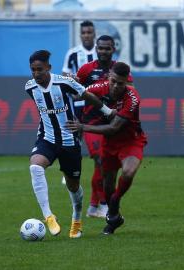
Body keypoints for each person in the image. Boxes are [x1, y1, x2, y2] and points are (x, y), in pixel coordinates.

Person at [26, 50, 113, 239]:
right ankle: (48, 216)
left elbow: (87, 95)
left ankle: (76, 219)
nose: (36, 74)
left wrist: (107, 111)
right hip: (47, 138)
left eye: (40, 69)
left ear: (49, 68)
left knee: (73, 187)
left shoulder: (64, 83)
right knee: (35, 166)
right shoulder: (30, 87)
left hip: (69, 141)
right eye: (33, 70)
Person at [66, 62, 147, 235]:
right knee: (108, 185)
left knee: (128, 172)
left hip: (131, 141)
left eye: (121, 83)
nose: (116, 86)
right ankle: (114, 218)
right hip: (109, 144)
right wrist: (71, 82)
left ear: (127, 81)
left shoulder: (132, 98)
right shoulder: (100, 86)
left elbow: (114, 127)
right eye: (114, 81)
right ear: (109, 77)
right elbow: (78, 95)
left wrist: (83, 127)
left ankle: (114, 204)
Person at [76, 35, 134, 218]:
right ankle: (103, 204)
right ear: (96, 48)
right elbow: (76, 91)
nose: (103, 51)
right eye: (100, 48)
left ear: (113, 49)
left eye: (107, 48)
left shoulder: (119, 70)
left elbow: (129, 90)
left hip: (112, 124)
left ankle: (94, 206)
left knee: (104, 167)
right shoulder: (86, 69)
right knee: (100, 161)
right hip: (91, 122)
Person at [60, 20, 96, 185]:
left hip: (96, 102)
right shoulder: (73, 53)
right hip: (78, 102)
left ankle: (100, 165)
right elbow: (64, 75)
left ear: (94, 33)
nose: (87, 35)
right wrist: (72, 82)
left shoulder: (100, 51)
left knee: (95, 134)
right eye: (84, 32)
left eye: (89, 32)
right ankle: (70, 170)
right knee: (75, 135)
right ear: (80, 34)